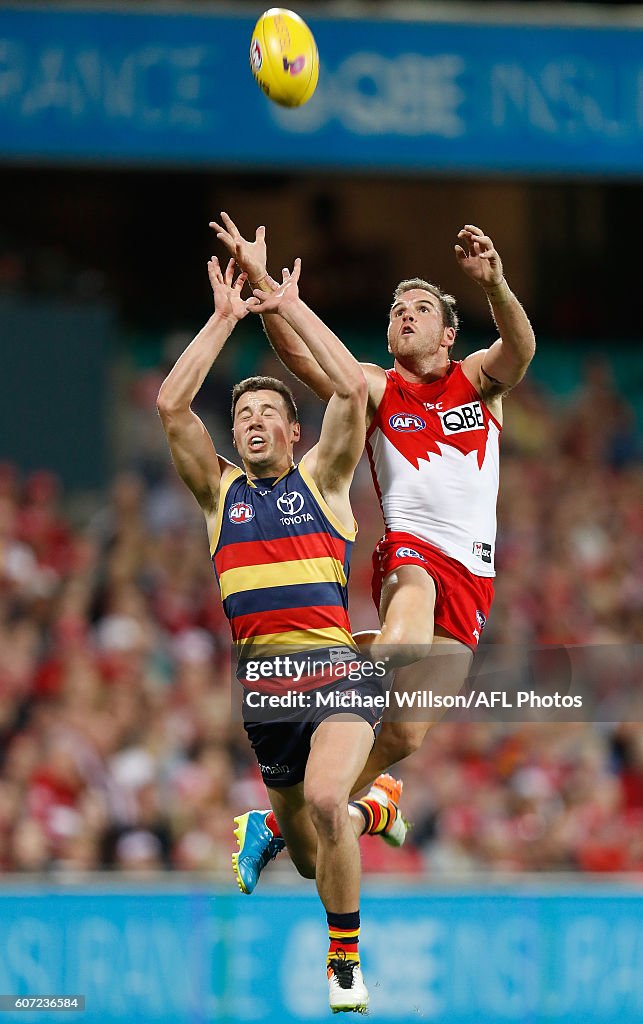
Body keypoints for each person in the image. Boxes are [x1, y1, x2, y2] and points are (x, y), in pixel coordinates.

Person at [211, 213, 536, 867]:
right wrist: (270, 292)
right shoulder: (375, 386)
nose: (405, 314)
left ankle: (299, 821)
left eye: (420, 308)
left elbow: (520, 349)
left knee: (406, 737)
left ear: (448, 332)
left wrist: (496, 285)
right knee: (408, 609)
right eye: (396, 310)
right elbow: (304, 359)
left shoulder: (475, 380)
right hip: (413, 553)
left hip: (473, 578)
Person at [157, 253, 407, 1015]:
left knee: (329, 801)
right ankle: (374, 806)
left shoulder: (324, 481)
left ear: (295, 433)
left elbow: (346, 388)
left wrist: (286, 305)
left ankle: (342, 963)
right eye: (242, 417)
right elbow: (172, 406)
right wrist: (225, 318)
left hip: (333, 673)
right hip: (264, 695)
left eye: (268, 413)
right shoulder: (218, 493)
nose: (253, 422)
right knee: (306, 856)